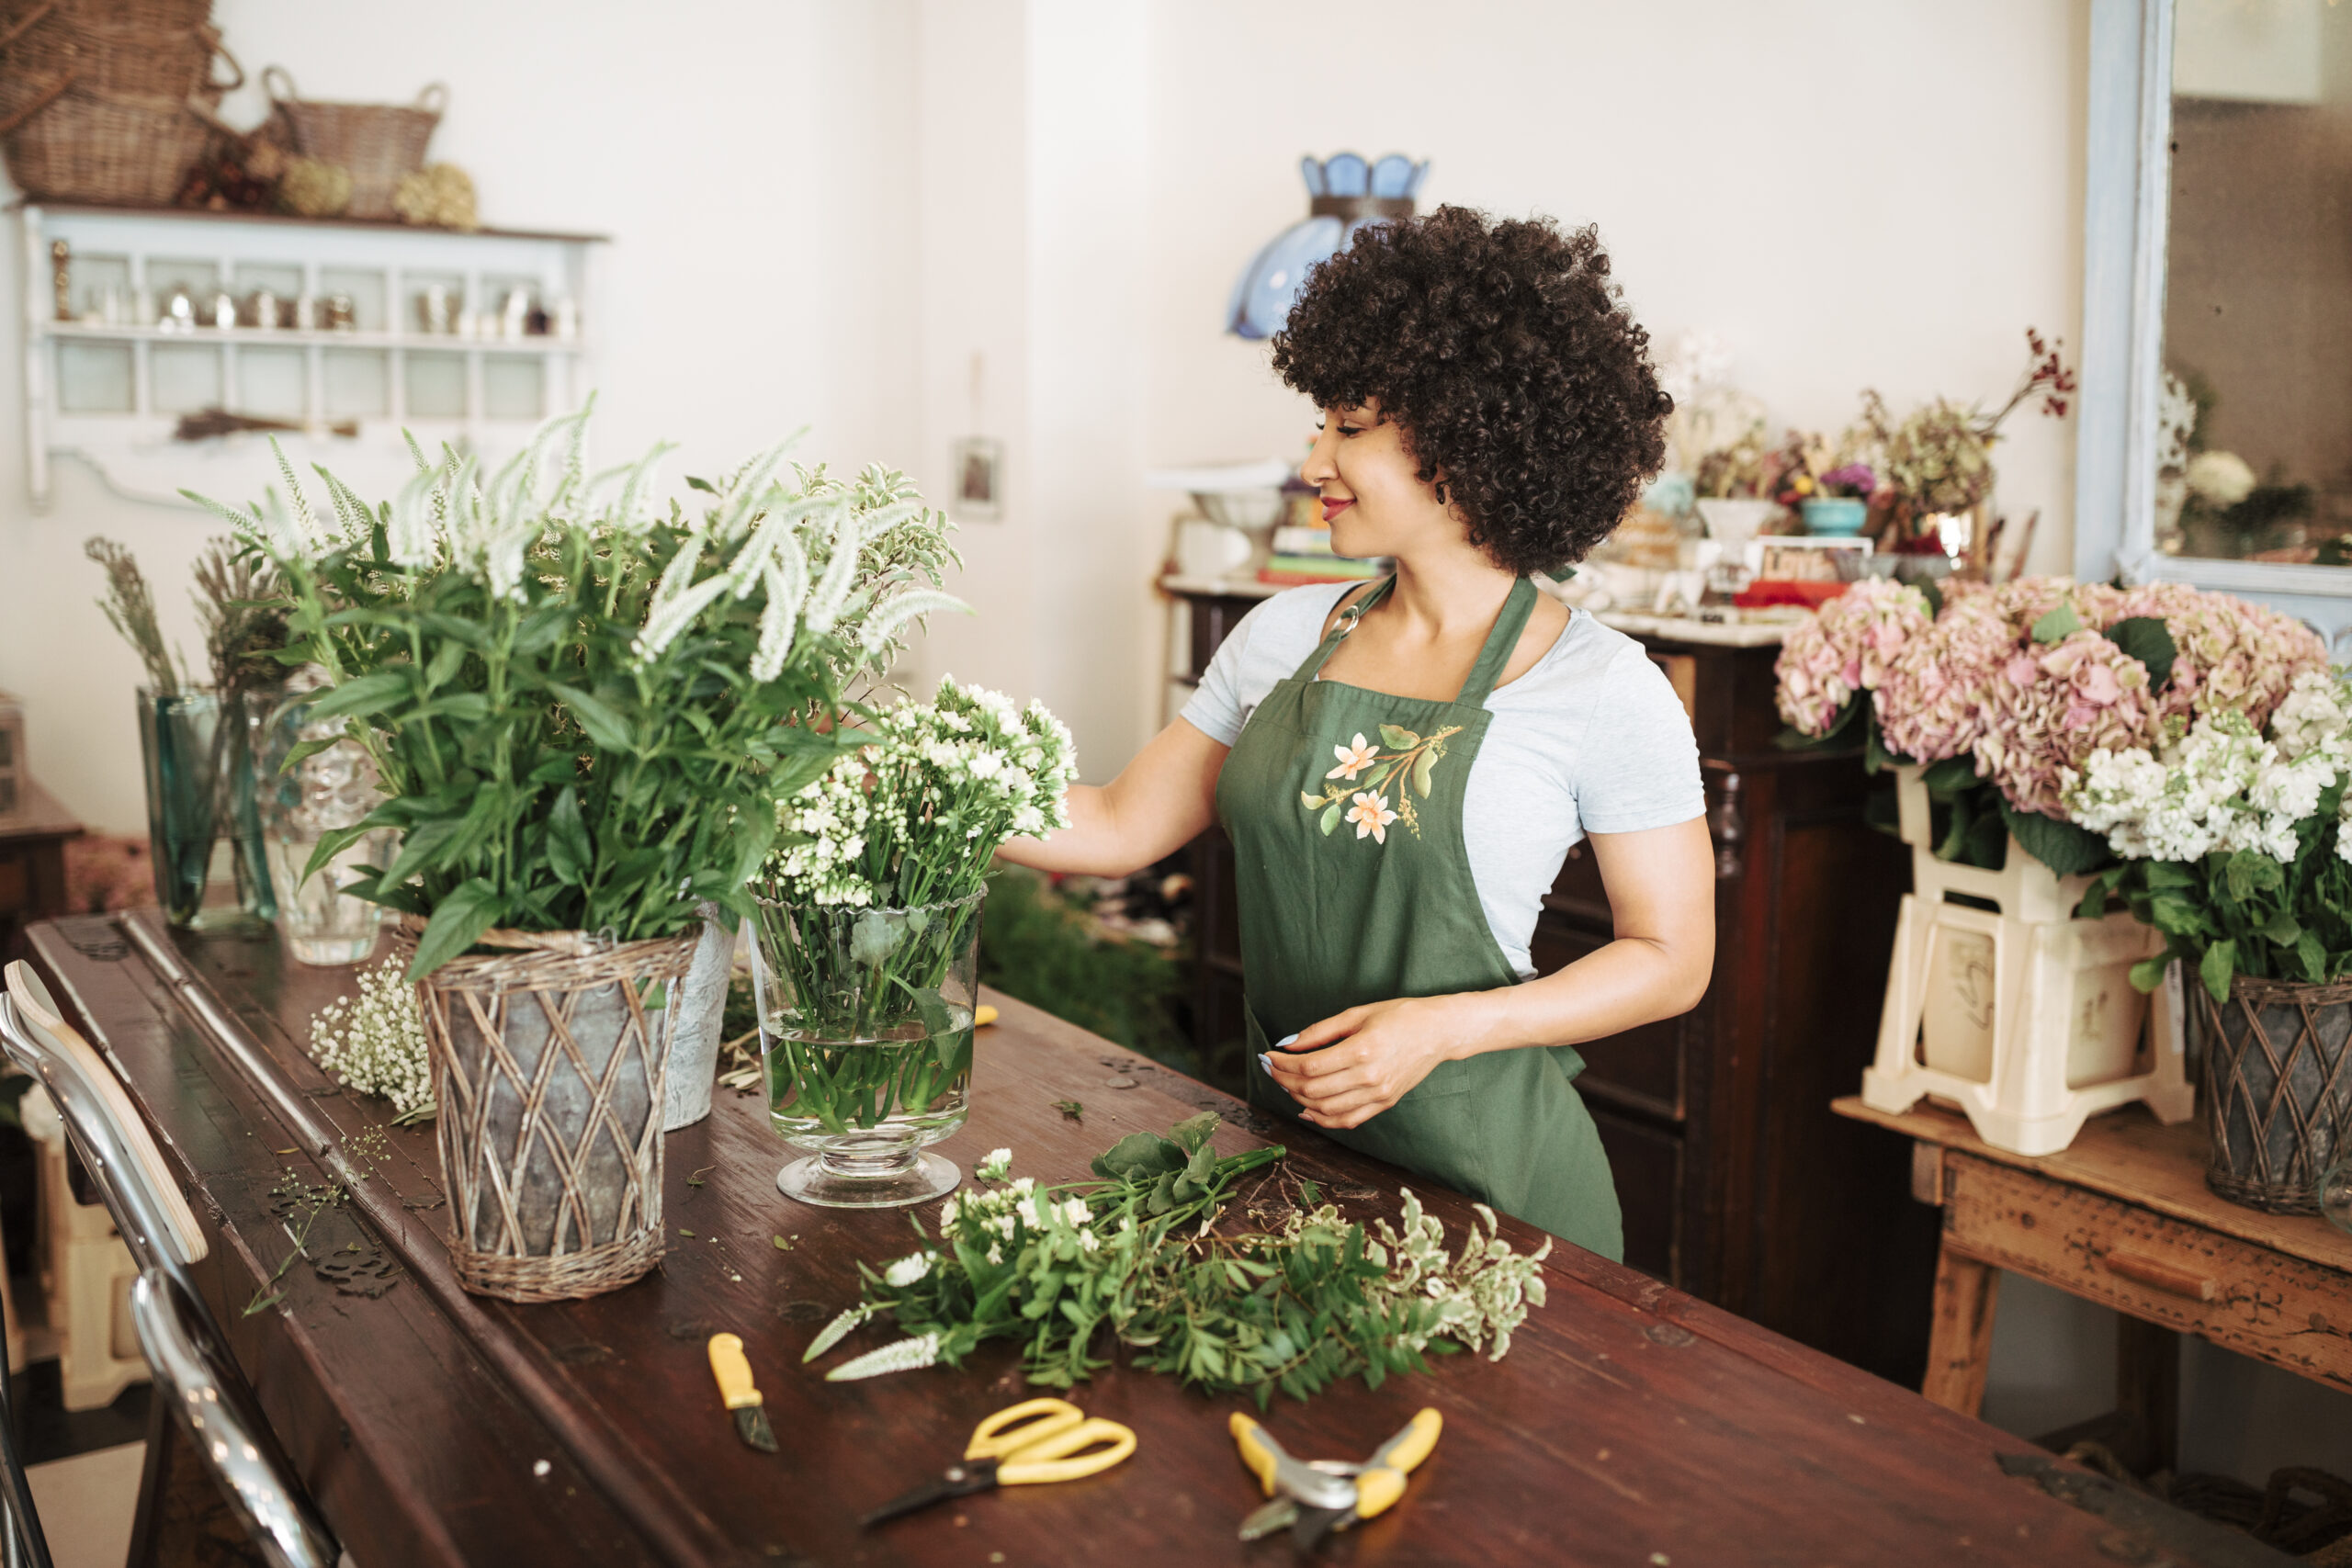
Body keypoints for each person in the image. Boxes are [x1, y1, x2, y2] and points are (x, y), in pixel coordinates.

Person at [999, 207, 1713, 1258]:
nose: (1312, 455)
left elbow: (1670, 958)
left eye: (1346, 424)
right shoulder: (1285, 633)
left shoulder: (1603, 688)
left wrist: (1447, 1027)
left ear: (1463, 440)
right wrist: (916, 779)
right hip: (1293, 1166)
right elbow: (1112, 823)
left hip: (1500, 1205)